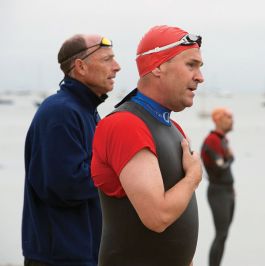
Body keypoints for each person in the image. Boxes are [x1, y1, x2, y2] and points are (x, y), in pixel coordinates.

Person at [91, 25, 204, 266]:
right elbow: (158, 216)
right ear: (158, 67)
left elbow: (179, 228)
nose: (200, 76)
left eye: (199, 67)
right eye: (191, 65)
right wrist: (193, 177)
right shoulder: (125, 125)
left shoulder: (172, 128)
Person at [22, 34, 120, 266]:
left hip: (83, 252)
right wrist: (122, 169)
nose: (117, 67)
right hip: (59, 257)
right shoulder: (60, 112)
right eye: (107, 59)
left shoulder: (87, 110)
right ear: (80, 67)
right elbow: (66, 186)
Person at [201, 107, 235, 266]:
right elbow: (220, 166)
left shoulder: (223, 139)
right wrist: (230, 158)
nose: (232, 121)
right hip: (218, 191)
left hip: (227, 190)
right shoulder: (212, 140)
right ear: (219, 120)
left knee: (224, 234)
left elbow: (224, 164)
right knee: (221, 234)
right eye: (228, 117)